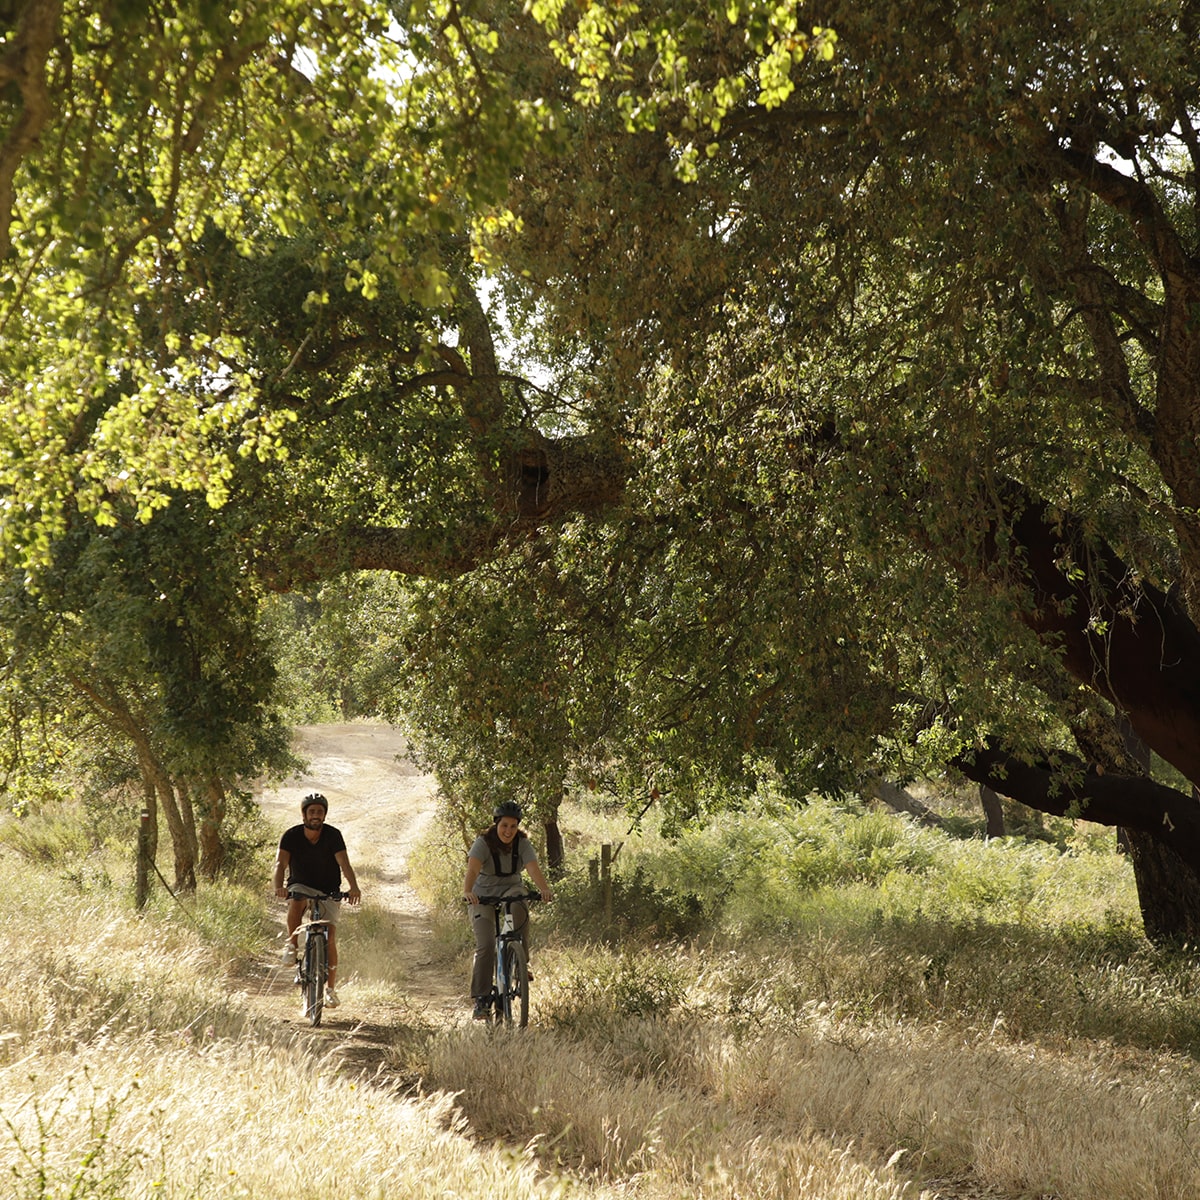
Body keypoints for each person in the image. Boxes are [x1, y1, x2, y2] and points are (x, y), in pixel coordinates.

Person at [463, 800, 554, 1020]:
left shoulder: (522, 844)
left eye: (513, 826)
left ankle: (519, 963)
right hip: (482, 895)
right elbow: (473, 868)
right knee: (486, 945)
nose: (508, 831)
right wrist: (467, 891)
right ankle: (482, 999)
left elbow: (533, 867)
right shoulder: (483, 843)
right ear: (496, 824)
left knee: (518, 905)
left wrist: (544, 890)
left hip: (511, 889)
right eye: (504, 825)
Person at [273, 792, 361, 1010]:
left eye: (320, 812)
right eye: (312, 811)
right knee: (297, 901)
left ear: (324, 815)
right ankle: (292, 945)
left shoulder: (333, 835)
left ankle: (330, 989)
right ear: (304, 814)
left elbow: (345, 865)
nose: (316, 815)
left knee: (329, 934)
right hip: (300, 884)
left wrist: (354, 887)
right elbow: (280, 865)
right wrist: (279, 887)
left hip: (328, 888)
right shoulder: (291, 836)